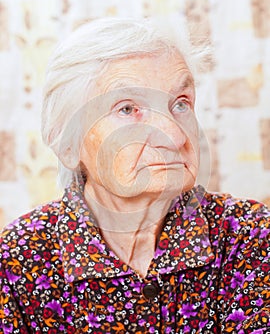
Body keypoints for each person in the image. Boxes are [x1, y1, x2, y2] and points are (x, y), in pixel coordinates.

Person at [0, 17, 269, 334]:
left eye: (180, 104)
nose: (173, 135)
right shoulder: (18, 259)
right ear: (68, 144)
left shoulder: (251, 236)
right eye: (127, 109)